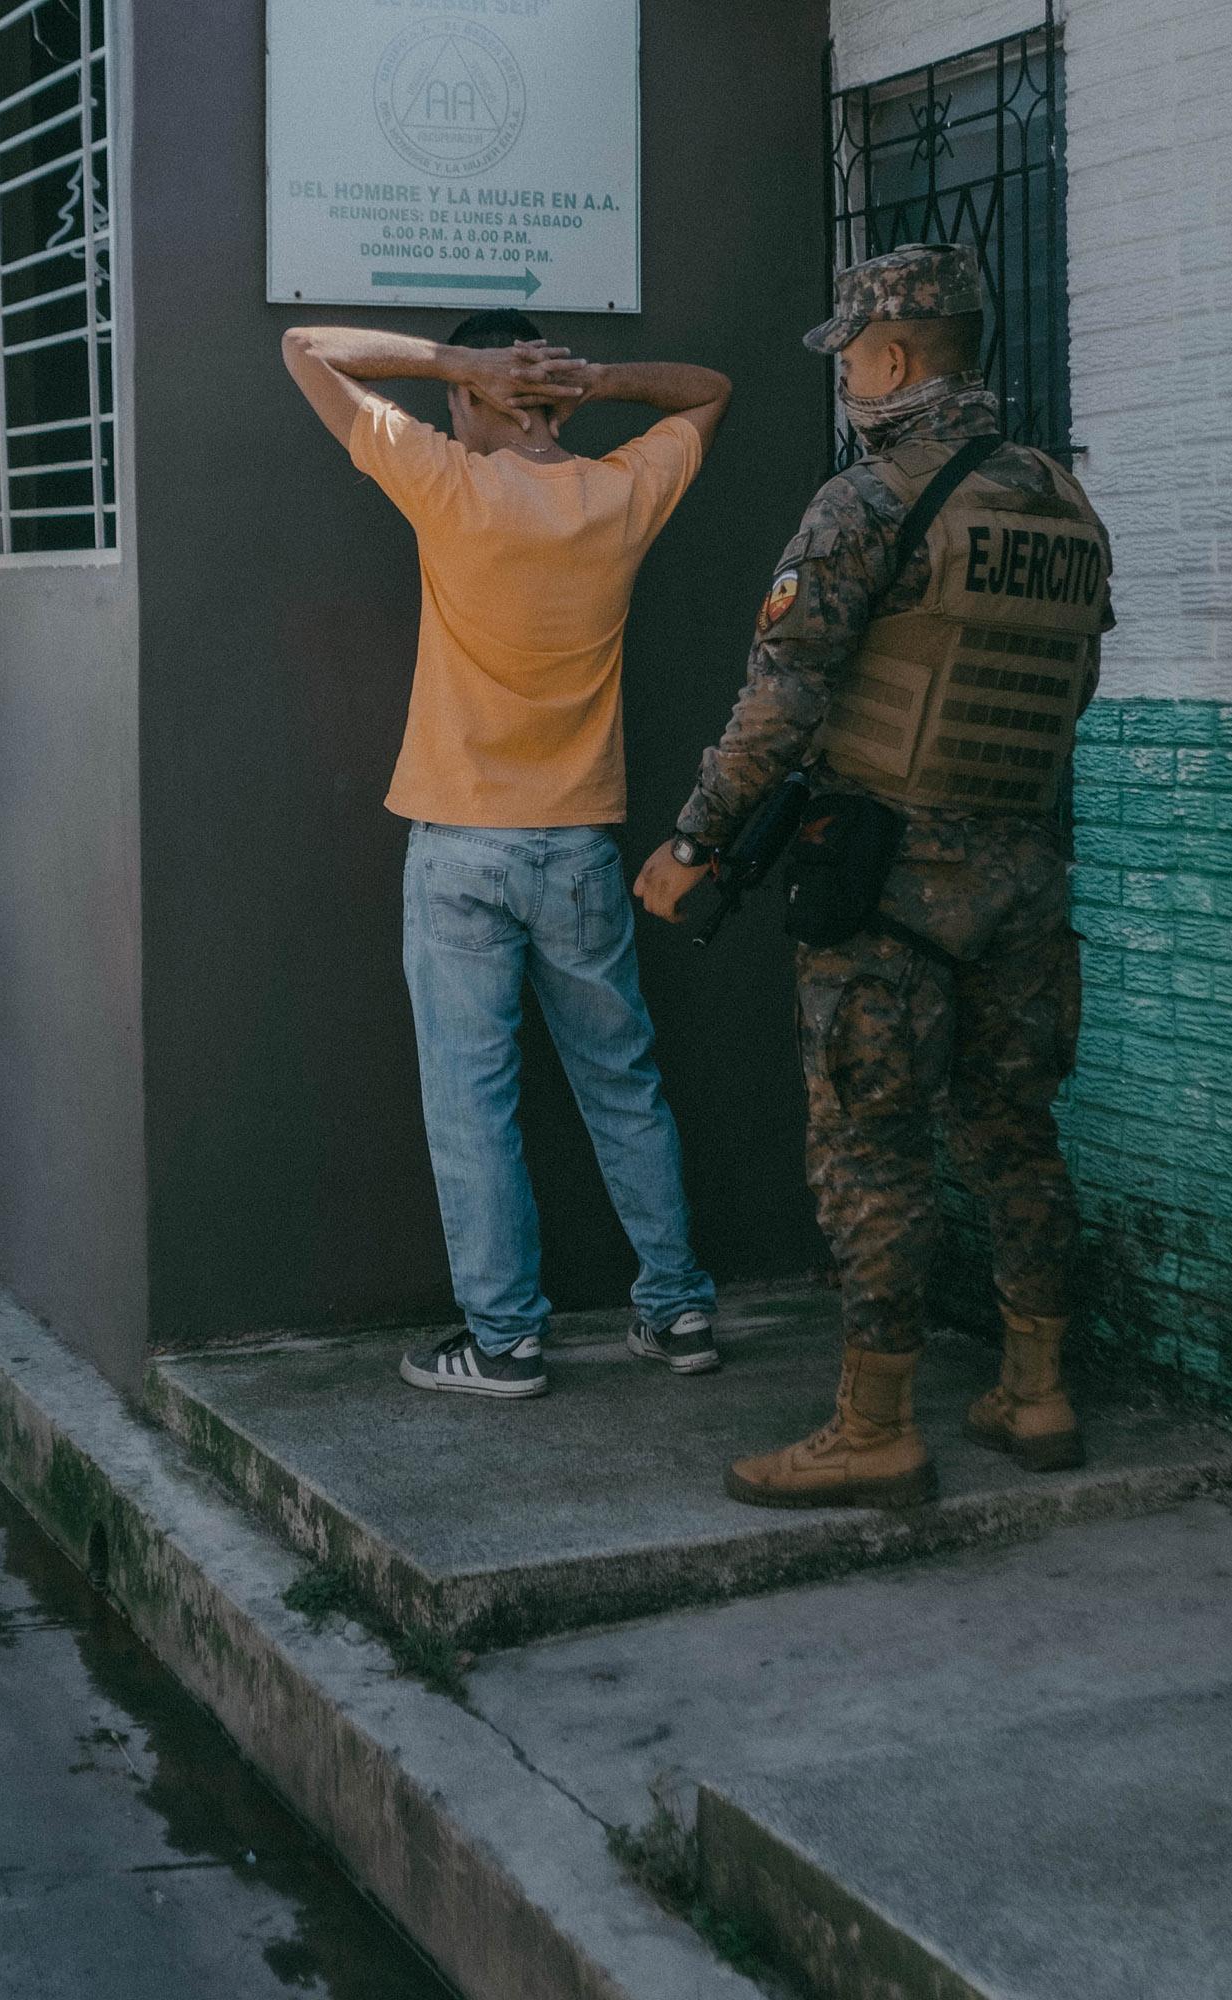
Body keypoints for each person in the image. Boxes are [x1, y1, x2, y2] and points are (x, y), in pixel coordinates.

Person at [635, 243, 1113, 1510]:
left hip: (888, 886)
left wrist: (694, 844)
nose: (845, 374)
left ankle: (876, 1426)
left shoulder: (866, 502)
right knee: (1017, 1134)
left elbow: (781, 699)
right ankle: (1038, 1387)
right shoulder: (1063, 503)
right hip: (1026, 877)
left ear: (895, 359)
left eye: (851, 351)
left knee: (873, 1145)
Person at [279, 313, 734, 1400]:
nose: (450, 408)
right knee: (623, 1084)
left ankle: (505, 1341)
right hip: (578, 843)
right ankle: (677, 1312)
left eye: (463, 394)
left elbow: (305, 349)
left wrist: (454, 363)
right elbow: (709, 385)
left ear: (483, 397)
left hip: (459, 847)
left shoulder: (446, 484)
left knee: (471, 1100)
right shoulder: (617, 494)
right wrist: (596, 380)